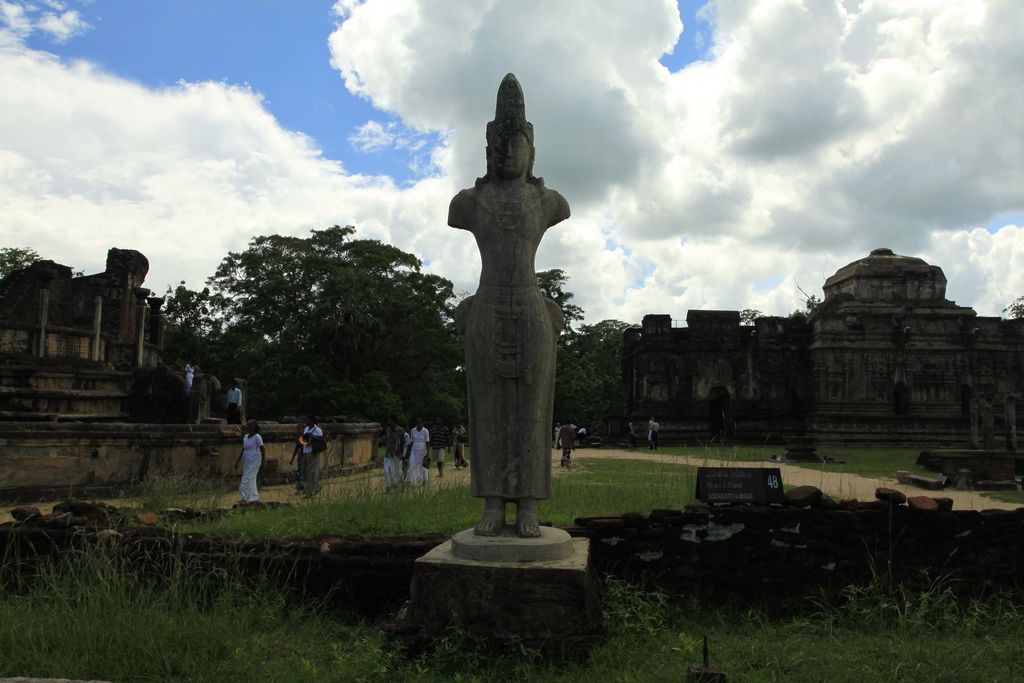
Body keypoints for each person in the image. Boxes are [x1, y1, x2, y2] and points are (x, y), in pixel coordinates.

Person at [449, 74, 570, 537]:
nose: (507, 154)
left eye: (515, 144)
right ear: (488, 150)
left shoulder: (548, 201)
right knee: (489, 408)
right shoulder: (470, 201)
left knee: (533, 410)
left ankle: (530, 505)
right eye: (499, 145)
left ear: (531, 150)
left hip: (531, 309)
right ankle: (493, 504)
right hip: (487, 307)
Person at [234, 419, 264, 503]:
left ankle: (245, 498)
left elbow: (263, 449)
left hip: (255, 459)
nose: (248, 428)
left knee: (246, 478)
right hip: (247, 460)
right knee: (251, 478)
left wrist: (263, 462)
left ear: (254, 428)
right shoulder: (245, 437)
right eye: (248, 426)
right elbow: (243, 449)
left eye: (250, 426)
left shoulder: (257, 437)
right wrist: (237, 461)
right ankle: (254, 497)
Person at [299, 415, 324, 496]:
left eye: (307, 420)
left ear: (312, 421)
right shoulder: (306, 429)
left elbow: (322, 439)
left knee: (311, 473)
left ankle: (310, 492)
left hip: (313, 452)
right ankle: (315, 487)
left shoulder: (317, 430)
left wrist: (312, 437)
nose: (306, 422)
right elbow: (304, 441)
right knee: (304, 472)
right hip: (306, 451)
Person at [382, 416, 406, 490]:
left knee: (397, 472)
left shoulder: (400, 430)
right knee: (386, 471)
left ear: (394, 421)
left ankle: (401, 485)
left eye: (390, 421)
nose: (388, 422)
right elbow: (386, 440)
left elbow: (402, 443)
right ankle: (388, 487)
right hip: (388, 454)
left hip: (397, 454)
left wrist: (401, 454)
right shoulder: (387, 430)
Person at [404, 417, 430, 484]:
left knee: (422, 466)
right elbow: (411, 442)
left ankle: (424, 481)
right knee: (412, 464)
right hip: (414, 450)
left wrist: (427, 453)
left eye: (419, 422)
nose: (418, 423)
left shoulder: (425, 431)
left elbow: (427, 442)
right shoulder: (413, 430)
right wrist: (409, 452)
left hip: (422, 450)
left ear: (422, 422)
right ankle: (410, 480)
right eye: (417, 422)